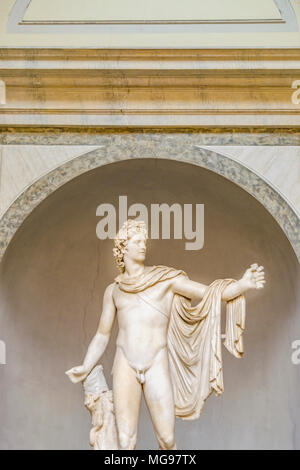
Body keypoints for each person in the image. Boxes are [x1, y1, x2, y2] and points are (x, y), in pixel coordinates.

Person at [66, 219, 265, 450]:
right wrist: (85, 365)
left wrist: (242, 285)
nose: (143, 245)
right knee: (125, 440)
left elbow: (209, 293)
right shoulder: (114, 291)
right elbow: (102, 335)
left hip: (156, 362)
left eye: (144, 241)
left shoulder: (166, 280)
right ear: (123, 247)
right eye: (137, 240)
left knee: (167, 439)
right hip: (125, 364)